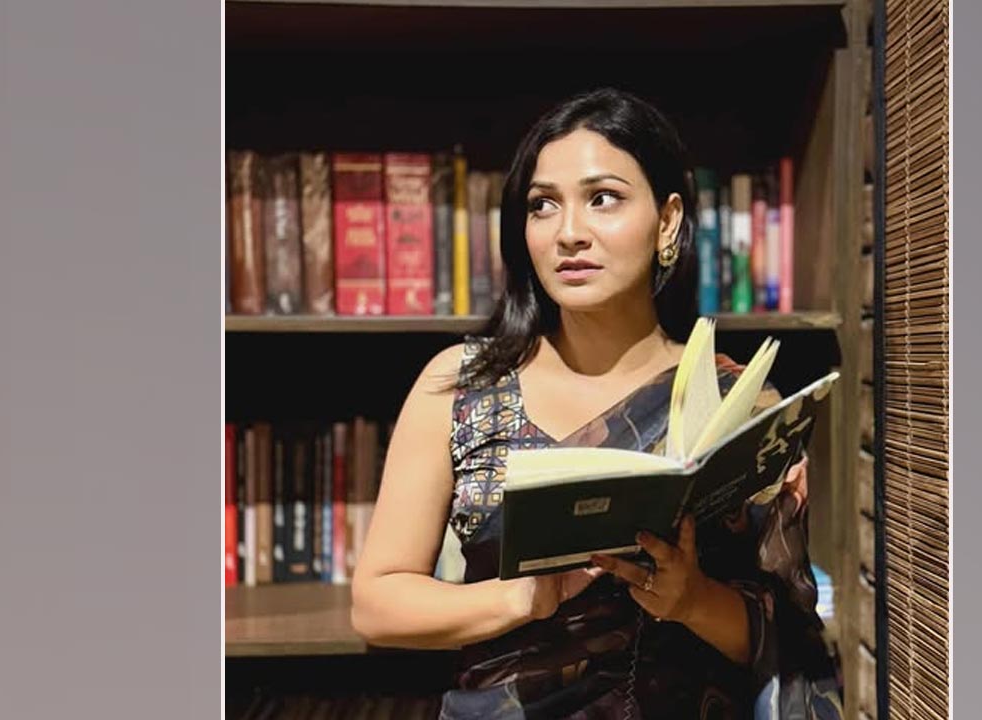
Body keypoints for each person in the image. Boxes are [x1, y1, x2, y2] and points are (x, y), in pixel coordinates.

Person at [351, 87, 842, 720]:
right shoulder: (462, 385)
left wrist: (692, 600)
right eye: (543, 205)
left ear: (667, 221)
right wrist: (518, 600)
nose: (569, 233)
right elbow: (377, 604)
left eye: (603, 198)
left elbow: (790, 637)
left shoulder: (736, 402)